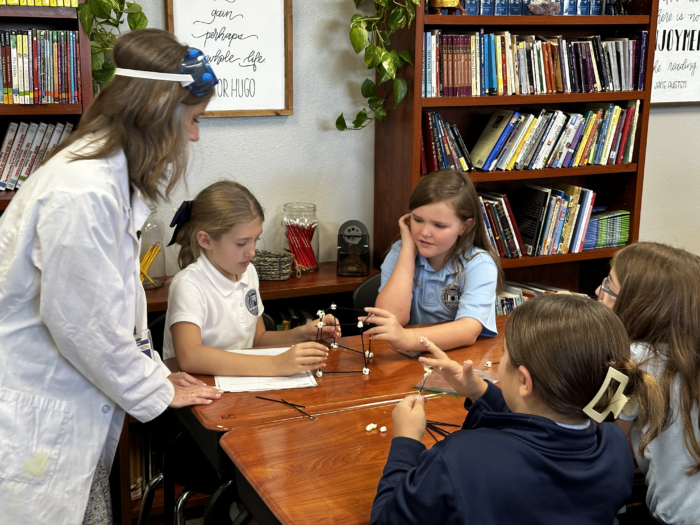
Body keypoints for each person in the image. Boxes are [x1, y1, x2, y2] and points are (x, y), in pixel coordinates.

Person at [0, 29, 222, 525]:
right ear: (159, 112)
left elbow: (112, 307)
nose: (194, 136)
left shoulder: (105, 179)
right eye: (193, 119)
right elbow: (85, 325)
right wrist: (157, 390)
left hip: (64, 410)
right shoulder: (84, 191)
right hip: (34, 417)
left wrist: (155, 372)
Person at [370, 294, 665, 525]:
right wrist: (481, 391)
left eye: (504, 355)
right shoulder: (612, 441)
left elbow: (387, 519)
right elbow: (545, 428)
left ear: (524, 380)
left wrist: (406, 443)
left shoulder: (459, 459)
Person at [164, 181, 335, 376]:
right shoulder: (188, 284)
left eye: (256, 239)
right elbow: (190, 357)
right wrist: (274, 365)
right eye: (242, 243)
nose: (252, 252)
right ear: (206, 240)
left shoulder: (249, 272)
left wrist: (302, 334)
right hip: (198, 391)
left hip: (239, 390)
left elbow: (257, 339)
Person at [597, 242, 700, 525]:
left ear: (637, 303)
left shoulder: (633, 363)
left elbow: (601, 434)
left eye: (608, 284)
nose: (598, 291)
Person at [371, 169, 503, 352]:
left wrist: (406, 339)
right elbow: (390, 318)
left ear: (464, 226)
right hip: (407, 360)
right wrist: (408, 250)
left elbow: (468, 330)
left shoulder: (480, 264)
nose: (425, 232)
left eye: (439, 225)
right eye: (417, 220)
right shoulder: (399, 254)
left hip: (457, 358)